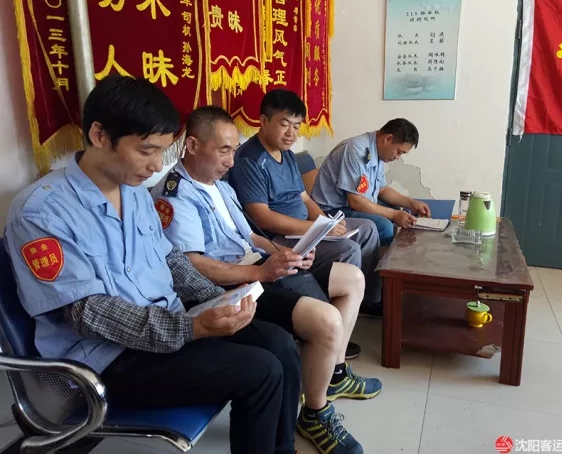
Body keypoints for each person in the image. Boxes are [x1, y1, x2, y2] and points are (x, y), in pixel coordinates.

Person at [3, 75, 301, 454]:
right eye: (146, 151)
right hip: (107, 358)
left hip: (167, 325)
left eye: (162, 151)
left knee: (279, 343)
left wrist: (218, 299)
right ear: (99, 135)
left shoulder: (134, 192)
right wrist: (189, 328)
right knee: (260, 370)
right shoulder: (42, 211)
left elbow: (170, 258)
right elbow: (86, 312)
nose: (157, 165)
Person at [150, 106, 381, 454]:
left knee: (353, 279)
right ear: (193, 145)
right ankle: (315, 413)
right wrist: (262, 272)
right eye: (224, 151)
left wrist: (285, 253)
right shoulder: (175, 194)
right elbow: (193, 266)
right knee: (325, 321)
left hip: (258, 264)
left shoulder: (219, 186)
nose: (231, 161)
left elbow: (250, 236)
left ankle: (333, 374)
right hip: (231, 283)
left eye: (233, 150)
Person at [228, 89, 383, 318]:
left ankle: (366, 301)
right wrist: (318, 229)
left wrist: (326, 223)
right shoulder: (250, 160)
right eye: (284, 124)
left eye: (296, 126)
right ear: (263, 121)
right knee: (346, 248)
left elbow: (304, 198)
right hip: (278, 237)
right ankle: (330, 315)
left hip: (305, 228)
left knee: (367, 229)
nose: (291, 133)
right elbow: (263, 217)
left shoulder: (287, 155)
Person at [310, 119, 431, 247]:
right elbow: (355, 201)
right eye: (399, 152)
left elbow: (382, 190)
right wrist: (393, 215)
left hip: (351, 205)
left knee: (398, 209)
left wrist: (411, 203)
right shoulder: (355, 150)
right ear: (388, 139)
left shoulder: (377, 152)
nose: (397, 157)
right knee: (385, 226)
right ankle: (377, 259)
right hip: (331, 211)